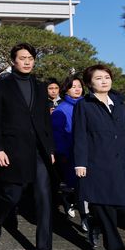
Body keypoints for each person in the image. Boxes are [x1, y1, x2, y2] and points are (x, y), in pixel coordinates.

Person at [0, 43, 57, 250]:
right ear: (13, 61)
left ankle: (43, 249)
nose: (27, 61)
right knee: (12, 195)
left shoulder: (40, 86)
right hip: (13, 150)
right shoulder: (2, 87)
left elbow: (45, 120)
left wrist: (50, 148)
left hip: (39, 151)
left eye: (31, 58)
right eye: (22, 58)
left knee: (45, 198)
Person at [73, 64, 125, 250]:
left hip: (120, 163)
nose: (104, 81)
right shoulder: (84, 105)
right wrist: (81, 163)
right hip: (97, 163)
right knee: (104, 205)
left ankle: (95, 222)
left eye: (107, 77)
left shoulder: (120, 104)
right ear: (89, 83)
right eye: (98, 78)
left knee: (121, 205)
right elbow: (80, 136)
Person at [51, 75, 89, 231]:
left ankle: (82, 211)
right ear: (66, 89)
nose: (77, 89)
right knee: (79, 186)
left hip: (89, 154)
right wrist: (63, 154)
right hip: (71, 154)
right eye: (73, 86)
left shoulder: (88, 105)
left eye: (79, 86)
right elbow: (57, 135)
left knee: (86, 188)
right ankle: (84, 216)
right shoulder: (62, 109)